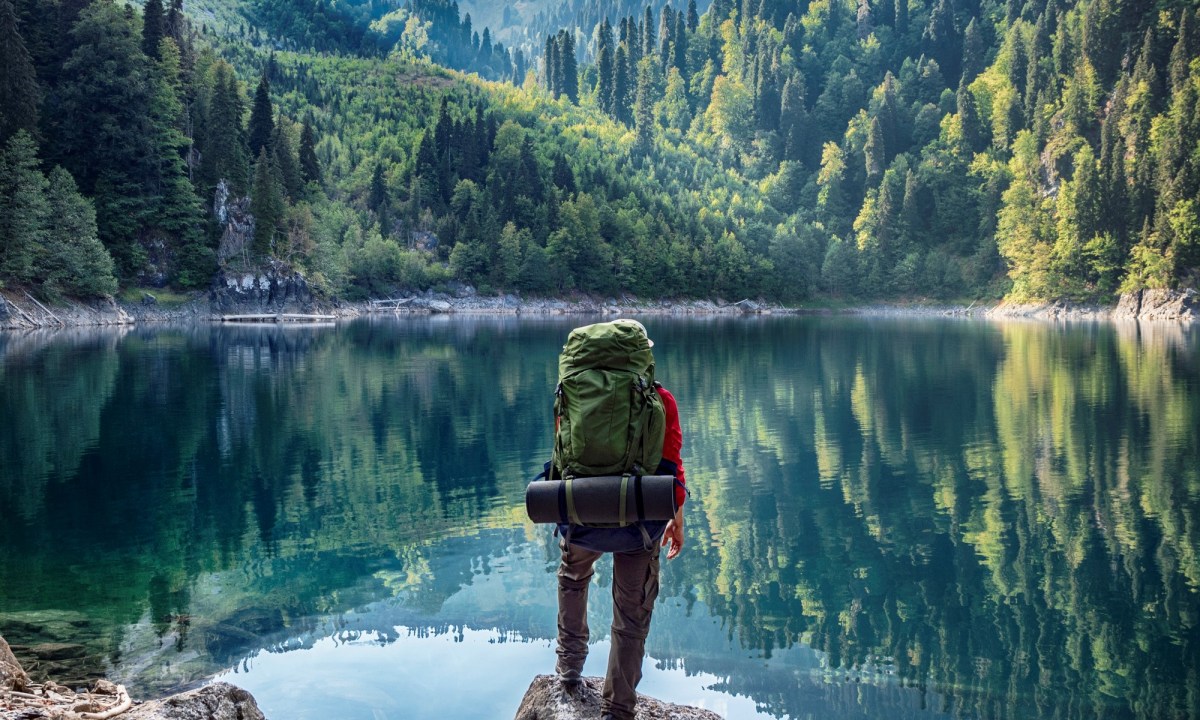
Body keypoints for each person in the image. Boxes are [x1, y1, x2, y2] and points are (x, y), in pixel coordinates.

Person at [553, 320, 687, 720]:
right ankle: (618, 708)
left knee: (572, 577)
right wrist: (677, 520)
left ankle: (569, 667)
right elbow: (672, 469)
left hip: (580, 514)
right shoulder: (660, 400)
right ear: (641, 357)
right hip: (638, 522)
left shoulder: (572, 394)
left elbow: (561, 455)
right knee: (631, 614)